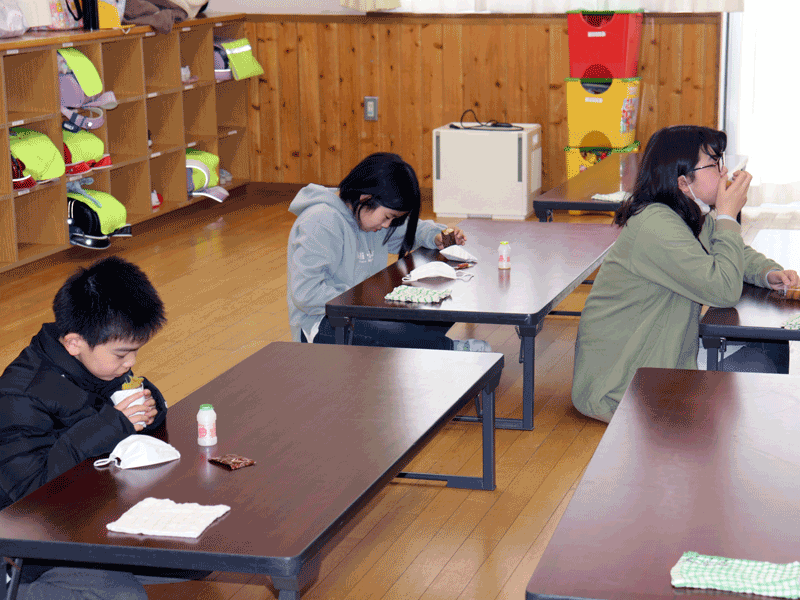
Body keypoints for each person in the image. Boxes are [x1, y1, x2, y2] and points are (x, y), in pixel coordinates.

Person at [0, 257, 201, 599]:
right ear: (75, 342)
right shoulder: (19, 395)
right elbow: (30, 496)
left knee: (197, 557)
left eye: (136, 352)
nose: (131, 363)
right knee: (124, 596)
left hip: (84, 513)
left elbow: (136, 417)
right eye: (123, 354)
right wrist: (111, 425)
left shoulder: (95, 364)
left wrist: (148, 407)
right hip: (27, 548)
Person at [572, 125, 800, 423]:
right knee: (763, 363)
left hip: (660, 362)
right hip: (620, 386)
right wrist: (728, 215)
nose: (724, 171)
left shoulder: (686, 213)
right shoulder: (656, 225)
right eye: (714, 164)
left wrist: (769, 272)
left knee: (768, 353)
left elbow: (733, 252)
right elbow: (723, 289)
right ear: (682, 181)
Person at [287, 152, 491, 352]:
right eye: (387, 217)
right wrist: (368, 302)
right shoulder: (321, 221)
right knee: (393, 331)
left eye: (393, 220)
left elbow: (414, 230)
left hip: (363, 309)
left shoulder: (369, 221)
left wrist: (438, 236)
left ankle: (423, 345)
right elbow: (307, 293)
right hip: (323, 325)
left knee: (438, 308)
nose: (387, 225)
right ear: (366, 198)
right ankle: (448, 350)